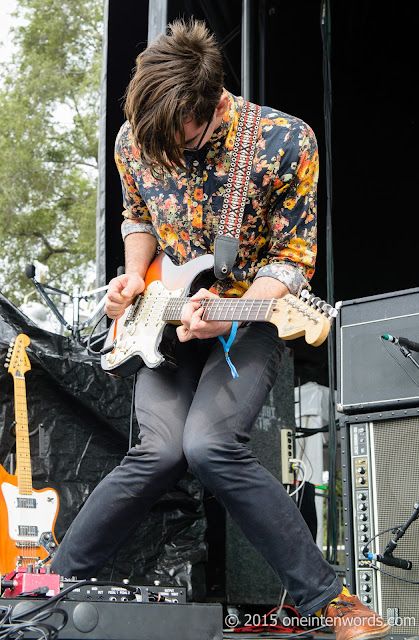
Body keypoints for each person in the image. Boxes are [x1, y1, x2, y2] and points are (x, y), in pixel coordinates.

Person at [51, 18, 390, 638]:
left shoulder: (286, 142)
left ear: (207, 109)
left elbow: (291, 259)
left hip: (247, 313)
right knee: (156, 452)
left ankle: (329, 602)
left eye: (176, 143)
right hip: (160, 311)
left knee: (210, 447)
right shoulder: (136, 138)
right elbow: (136, 217)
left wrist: (231, 314)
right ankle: (48, 591)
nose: (161, 153)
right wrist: (132, 282)